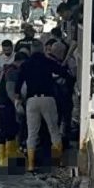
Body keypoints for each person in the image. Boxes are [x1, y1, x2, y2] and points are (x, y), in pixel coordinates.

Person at [19, 42, 68, 171]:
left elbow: (19, 83)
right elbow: (63, 72)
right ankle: (59, 160)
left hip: (32, 100)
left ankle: (30, 164)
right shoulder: (47, 62)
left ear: (31, 50)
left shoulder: (25, 64)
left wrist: (18, 98)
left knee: (32, 133)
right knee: (54, 130)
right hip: (48, 99)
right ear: (42, 50)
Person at [0, 50, 27, 170]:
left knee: (12, 128)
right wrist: (17, 104)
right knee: (6, 129)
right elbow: (9, 90)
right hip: (4, 104)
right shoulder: (12, 71)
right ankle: (3, 158)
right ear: (20, 62)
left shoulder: (11, 69)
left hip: (4, 103)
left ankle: (11, 154)